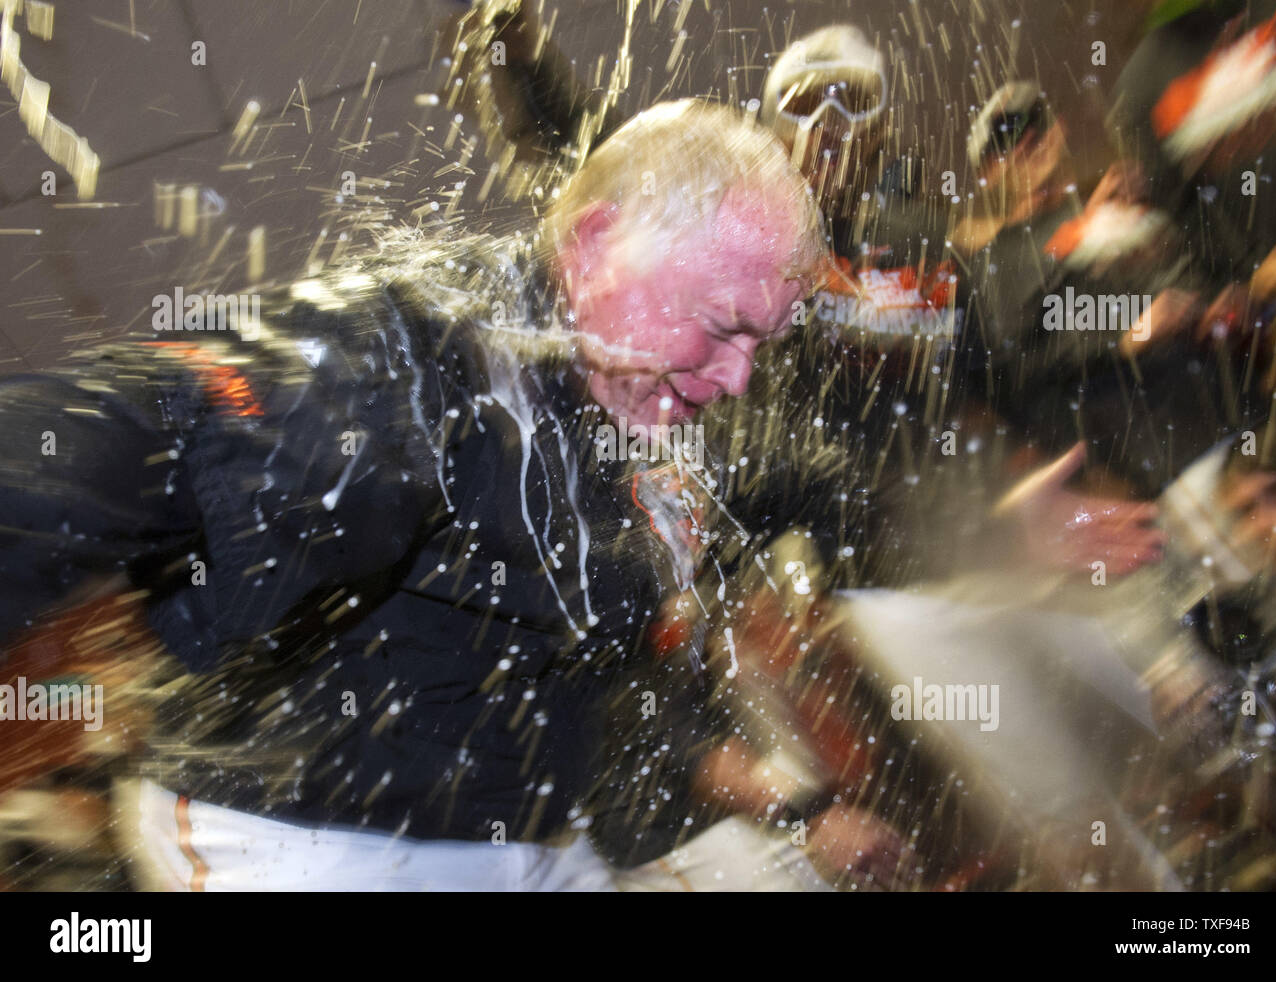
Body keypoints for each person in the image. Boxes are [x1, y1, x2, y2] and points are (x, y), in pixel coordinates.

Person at [0, 99, 827, 891]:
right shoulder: (408, 361)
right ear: (598, 241)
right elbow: (147, 426)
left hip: (520, 834)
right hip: (306, 844)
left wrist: (801, 800)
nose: (739, 377)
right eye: (723, 328)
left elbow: (596, 665)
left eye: (761, 341)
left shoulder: (626, 410)